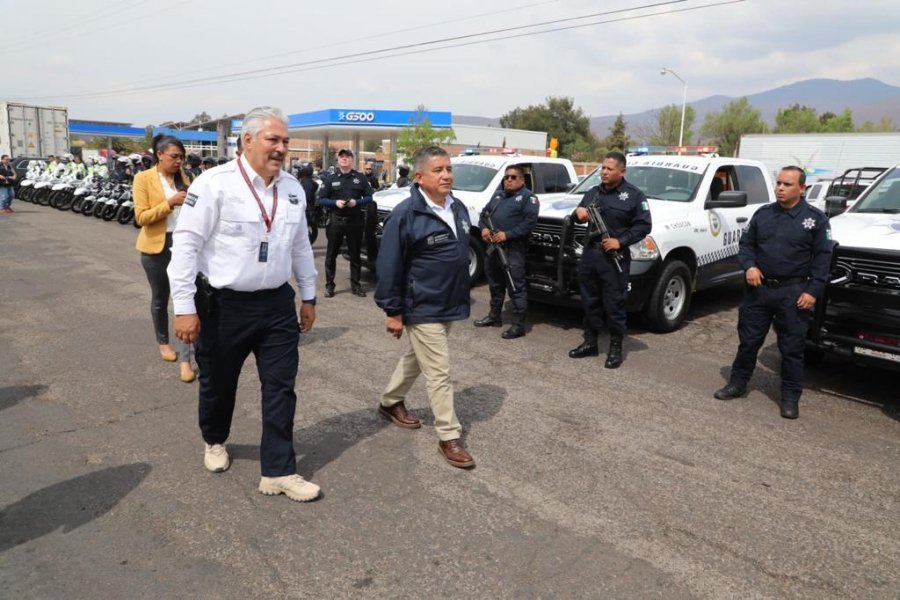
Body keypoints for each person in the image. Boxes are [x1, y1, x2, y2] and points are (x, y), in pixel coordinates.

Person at [168, 106, 320, 502]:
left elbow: (301, 247)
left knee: (281, 388)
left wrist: (308, 296)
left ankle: (279, 471)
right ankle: (214, 439)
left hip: (276, 305)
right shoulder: (214, 184)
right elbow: (185, 246)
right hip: (224, 306)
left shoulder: (292, 188)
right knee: (219, 383)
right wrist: (184, 307)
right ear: (248, 140)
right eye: (273, 139)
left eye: (285, 141)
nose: (281, 148)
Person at [374, 146, 475, 469]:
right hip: (421, 305)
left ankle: (390, 401)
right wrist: (392, 311)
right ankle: (449, 436)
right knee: (439, 371)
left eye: (449, 169)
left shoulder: (457, 207)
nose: (446, 175)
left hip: (448, 301)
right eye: (438, 170)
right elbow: (389, 266)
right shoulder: (405, 215)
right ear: (419, 177)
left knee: (418, 357)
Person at [714, 166, 832, 419]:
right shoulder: (764, 214)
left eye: (787, 184)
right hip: (759, 290)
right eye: (778, 183)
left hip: (793, 292)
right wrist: (749, 266)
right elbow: (746, 245)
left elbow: (823, 259)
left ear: (802, 188)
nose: (780, 188)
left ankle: (790, 397)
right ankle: (737, 383)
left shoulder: (815, 219)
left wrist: (813, 291)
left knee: (791, 349)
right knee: (748, 342)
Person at [568, 152, 652, 368]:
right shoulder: (593, 192)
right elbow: (577, 216)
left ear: (622, 171)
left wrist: (620, 241)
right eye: (602, 168)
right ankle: (590, 342)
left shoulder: (634, 196)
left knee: (614, 303)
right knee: (589, 300)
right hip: (591, 255)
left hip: (614, 258)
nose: (604, 172)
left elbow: (644, 226)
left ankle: (615, 348)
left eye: (609, 169)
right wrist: (578, 213)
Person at [134, 134, 196, 383]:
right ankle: (163, 342)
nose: (179, 161)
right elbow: (141, 217)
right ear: (159, 155)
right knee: (161, 299)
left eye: (182, 157)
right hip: (157, 247)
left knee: (185, 300)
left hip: (184, 246)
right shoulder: (143, 179)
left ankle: (186, 360)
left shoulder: (186, 178)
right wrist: (170, 203)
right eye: (174, 156)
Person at [473, 164, 539, 339]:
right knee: (495, 284)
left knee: (515, 287)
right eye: (506, 177)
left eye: (513, 177)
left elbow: (529, 223)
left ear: (522, 180)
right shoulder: (498, 196)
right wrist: (483, 229)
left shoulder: (529, 198)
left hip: (513, 250)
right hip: (493, 248)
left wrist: (507, 235)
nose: (509, 180)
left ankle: (518, 325)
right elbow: (484, 215)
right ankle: (494, 316)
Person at [317, 148, 374, 298]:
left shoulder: (360, 178)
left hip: (354, 222)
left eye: (347, 156)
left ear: (352, 160)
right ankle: (329, 286)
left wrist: (357, 202)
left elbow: (369, 197)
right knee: (331, 255)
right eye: (341, 157)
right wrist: (335, 203)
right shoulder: (330, 178)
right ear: (338, 160)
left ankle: (356, 285)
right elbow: (321, 199)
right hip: (336, 220)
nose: (344, 159)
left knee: (355, 255)